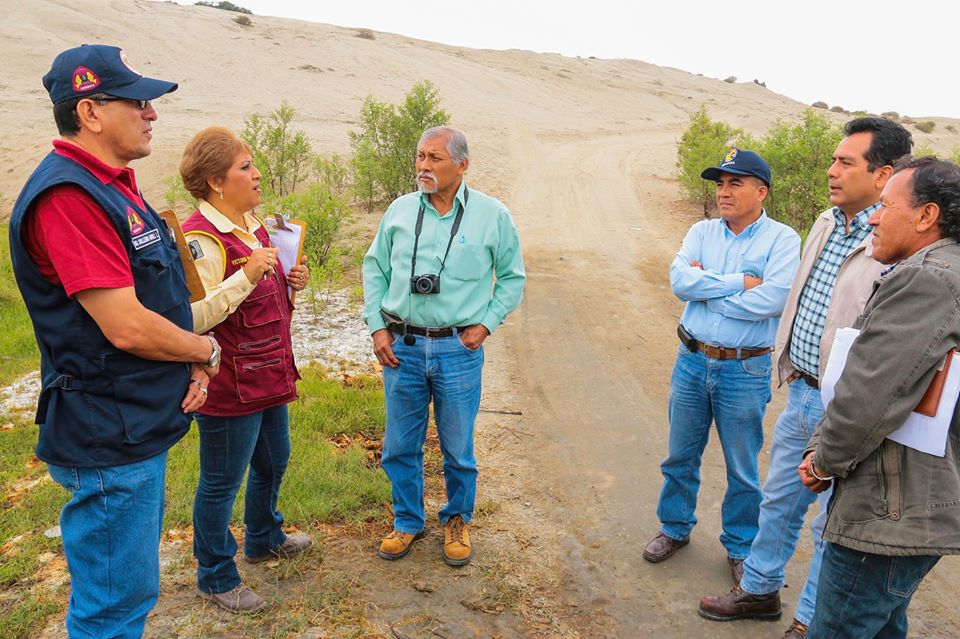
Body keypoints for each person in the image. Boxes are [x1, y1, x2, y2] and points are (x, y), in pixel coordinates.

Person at [9, 45, 221, 638]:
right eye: (138, 101)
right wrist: (206, 352)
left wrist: (190, 365)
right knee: (111, 609)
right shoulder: (69, 198)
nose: (152, 112)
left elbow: (160, 299)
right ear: (92, 111)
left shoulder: (113, 188)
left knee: (128, 596)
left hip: (133, 426)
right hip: (108, 437)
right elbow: (125, 324)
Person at [698, 118, 913, 638]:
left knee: (832, 523)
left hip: (848, 408)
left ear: (883, 175)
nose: (831, 170)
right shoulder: (824, 220)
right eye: (833, 159)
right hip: (803, 389)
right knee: (780, 500)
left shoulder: (896, 245)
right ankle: (759, 588)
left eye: (845, 162)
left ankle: (810, 620)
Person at [799, 157, 960, 639]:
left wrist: (823, 461)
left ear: (926, 216)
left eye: (885, 205)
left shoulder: (926, 279)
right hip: (912, 505)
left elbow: (870, 396)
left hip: (887, 511)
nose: (872, 216)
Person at [362, 126, 525, 566]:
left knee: (457, 447)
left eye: (434, 158)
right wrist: (377, 326)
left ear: (462, 165)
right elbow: (374, 268)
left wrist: (487, 324)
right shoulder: (398, 211)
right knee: (400, 444)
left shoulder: (492, 215)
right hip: (403, 346)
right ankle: (408, 521)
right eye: (419, 157)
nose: (423, 166)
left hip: (459, 349)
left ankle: (456, 519)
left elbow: (513, 278)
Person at [643, 150, 801, 582]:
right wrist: (738, 284)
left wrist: (705, 287)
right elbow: (680, 283)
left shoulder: (783, 240)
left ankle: (739, 545)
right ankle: (674, 528)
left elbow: (774, 299)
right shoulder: (701, 231)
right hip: (692, 359)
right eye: (720, 184)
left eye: (735, 183)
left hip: (743, 370)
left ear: (761, 191)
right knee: (680, 455)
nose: (724, 191)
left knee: (743, 467)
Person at [179, 126, 312, 613]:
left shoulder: (253, 226)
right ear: (216, 181)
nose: (257, 174)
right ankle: (214, 574)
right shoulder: (202, 239)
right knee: (220, 482)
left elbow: (269, 300)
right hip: (229, 384)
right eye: (245, 167)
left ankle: (263, 536)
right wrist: (248, 273)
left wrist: (292, 280)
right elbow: (194, 318)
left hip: (269, 374)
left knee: (275, 460)